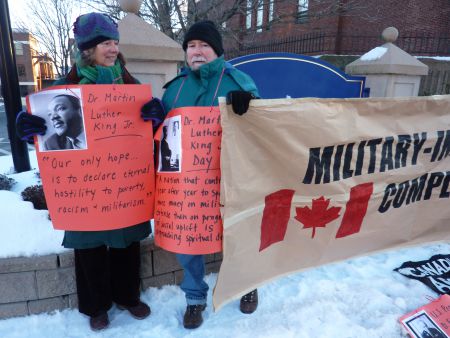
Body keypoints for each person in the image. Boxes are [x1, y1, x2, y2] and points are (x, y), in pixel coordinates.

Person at [15, 12, 164, 331]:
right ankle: (96, 305)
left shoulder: (128, 82)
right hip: (85, 186)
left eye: (114, 42)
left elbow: (149, 124)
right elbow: (42, 127)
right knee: (89, 245)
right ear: (87, 49)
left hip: (123, 181)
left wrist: (155, 114)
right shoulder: (65, 86)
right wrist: (28, 126)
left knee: (126, 240)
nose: (112, 48)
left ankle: (127, 295)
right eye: (105, 43)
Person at [142, 20, 260, 329]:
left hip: (230, 177)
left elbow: (264, 126)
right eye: (191, 46)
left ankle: (247, 283)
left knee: (236, 234)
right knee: (187, 242)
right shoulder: (175, 88)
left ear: (217, 51)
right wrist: (151, 121)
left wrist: (252, 106)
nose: (197, 51)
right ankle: (195, 298)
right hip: (185, 184)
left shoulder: (239, 80)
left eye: (203, 45)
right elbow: (159, 136)